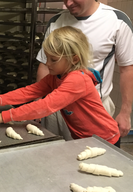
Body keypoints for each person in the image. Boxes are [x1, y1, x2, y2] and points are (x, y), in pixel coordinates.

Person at [0, 26, 120, 146]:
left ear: (74, 58)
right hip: (84, 139)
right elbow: (29, 91)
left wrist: (4, 116)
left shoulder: (77, 80)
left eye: (53, 59)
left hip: (105, 139)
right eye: (47, 57)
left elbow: (45, 106)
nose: (47, 64)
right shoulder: (56, 77)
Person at [36, 0, 133, 141]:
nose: (68, 3)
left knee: (89, 158)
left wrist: (125, 112)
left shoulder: (117, 21)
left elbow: (127, 69)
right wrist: (39, 103)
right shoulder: (56, 21)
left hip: (92, 110)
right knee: (51, 156)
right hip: (55, 108)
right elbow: (45, 66)